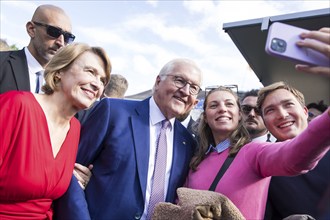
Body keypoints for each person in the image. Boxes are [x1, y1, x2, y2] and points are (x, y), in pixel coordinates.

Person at [54, 58, 203, 220]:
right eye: (179, 81)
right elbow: (70, 173)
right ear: (158, 81)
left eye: (194, 88)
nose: (186, 91)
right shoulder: (112, 112)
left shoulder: (187, 142)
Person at [0, 43, 111, 219]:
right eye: (90, 72)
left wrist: (81, 179)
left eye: (103, 80)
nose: (97, 84)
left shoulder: (74, 128)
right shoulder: (16, 105)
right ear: (60, 71)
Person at [184, 85, 329, 219]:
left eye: (229, 104)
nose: (222, 109)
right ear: (205, 117)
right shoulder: (197, 160)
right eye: (214, 105)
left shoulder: (253, 152)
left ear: (239, 115)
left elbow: (293, 156)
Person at [258, 82, 330, 220]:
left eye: (288, 104)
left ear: (305, 111)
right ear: (265, 123)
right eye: (270, 110)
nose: (282, 114)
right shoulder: (262, 167)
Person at [0, 4, 74, 94]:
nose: (61, 42)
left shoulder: (64, 84)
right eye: (54, 32)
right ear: (31, 29)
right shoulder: (2, 63)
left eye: (67, 37)